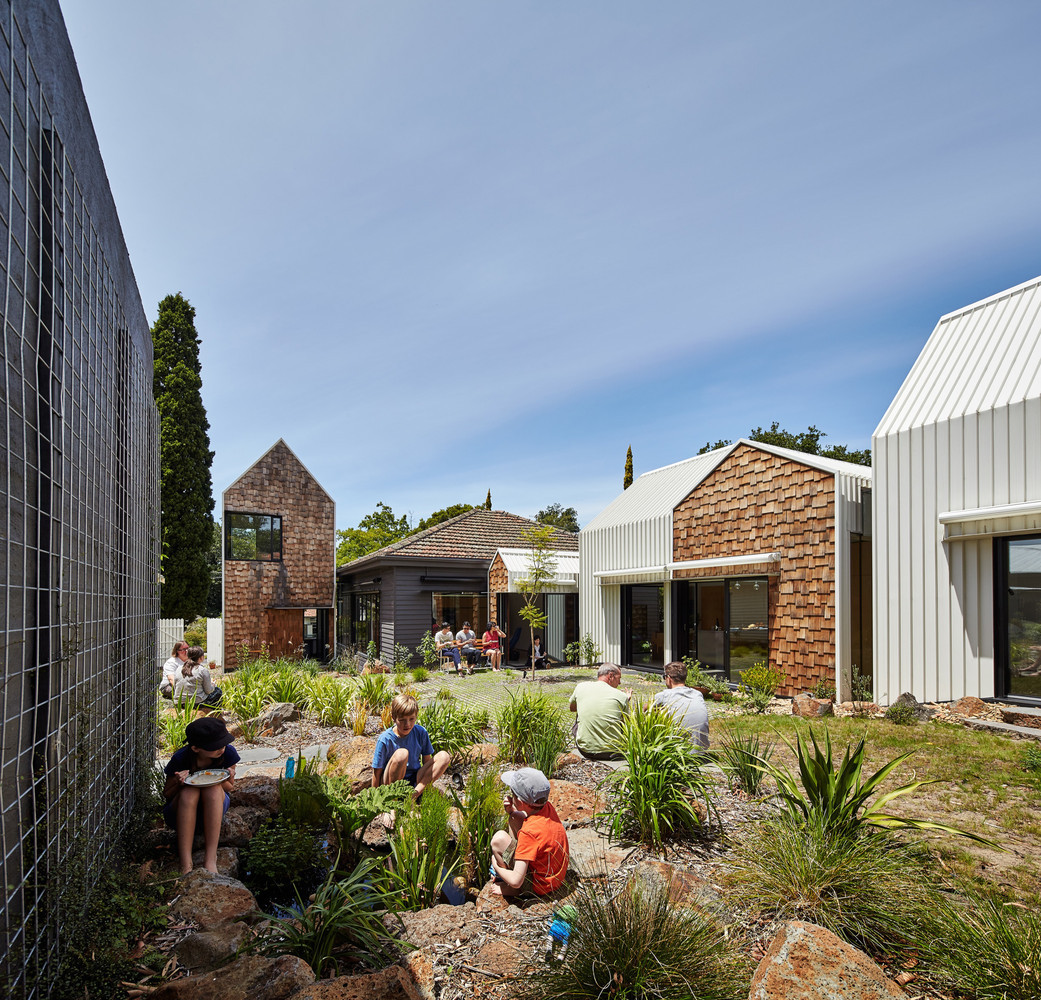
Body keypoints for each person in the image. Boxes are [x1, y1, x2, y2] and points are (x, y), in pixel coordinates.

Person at [163, 716, 239, 874]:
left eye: (224, 743)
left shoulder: (228, 753)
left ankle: (210, 860)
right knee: (189, 792)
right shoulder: (181, 758)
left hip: (213, 806)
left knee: (213, 788)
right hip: (181, 811)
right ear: (196, 748)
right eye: (215, 746)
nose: (221, 748)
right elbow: (167, 794)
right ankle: (186, 864)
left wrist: (226, 777)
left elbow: (229, 787)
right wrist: (179, 782)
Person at [489, 767, 569, 898]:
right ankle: (513, 869)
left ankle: (513, 889)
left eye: (512, 794)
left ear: (520, 802)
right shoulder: (547, 807)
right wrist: (512, 810)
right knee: (515, 817)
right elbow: (525, 814)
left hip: (538, 887)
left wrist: (497, 866)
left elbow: (516, 880)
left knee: (498, 840)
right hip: (554, 878)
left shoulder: (529, 832)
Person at [372, 693, 451, 799]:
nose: (407, 724)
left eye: (411, 719)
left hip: (414, 779)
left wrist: (426, 782)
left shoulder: (421, 732)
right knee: (402, 754)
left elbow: (427, 762)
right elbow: (377, 773)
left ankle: (414, 795)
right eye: (402, 720)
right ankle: (393, 800)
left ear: (416, 717)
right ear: (394, 718)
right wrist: (374, 800)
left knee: (444, 756)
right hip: (391, 782)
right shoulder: (385, 739)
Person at [569, 663, 632, 760]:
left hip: (585, 751)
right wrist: (625, 700)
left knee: (581, 710)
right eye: (619, 679)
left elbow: (572, 708)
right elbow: (627, 722)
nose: (619, 683)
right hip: (613, 753)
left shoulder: (581, 687)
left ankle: (588, 740)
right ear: (610, 676)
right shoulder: (621, 696)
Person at [654, 660, 710, 749]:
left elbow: (645, 709)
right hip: (701, 750)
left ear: (668, 678)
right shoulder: (698, 694)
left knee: (653, 713)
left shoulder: (664, 696)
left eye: (664, 677)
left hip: (678, 752)